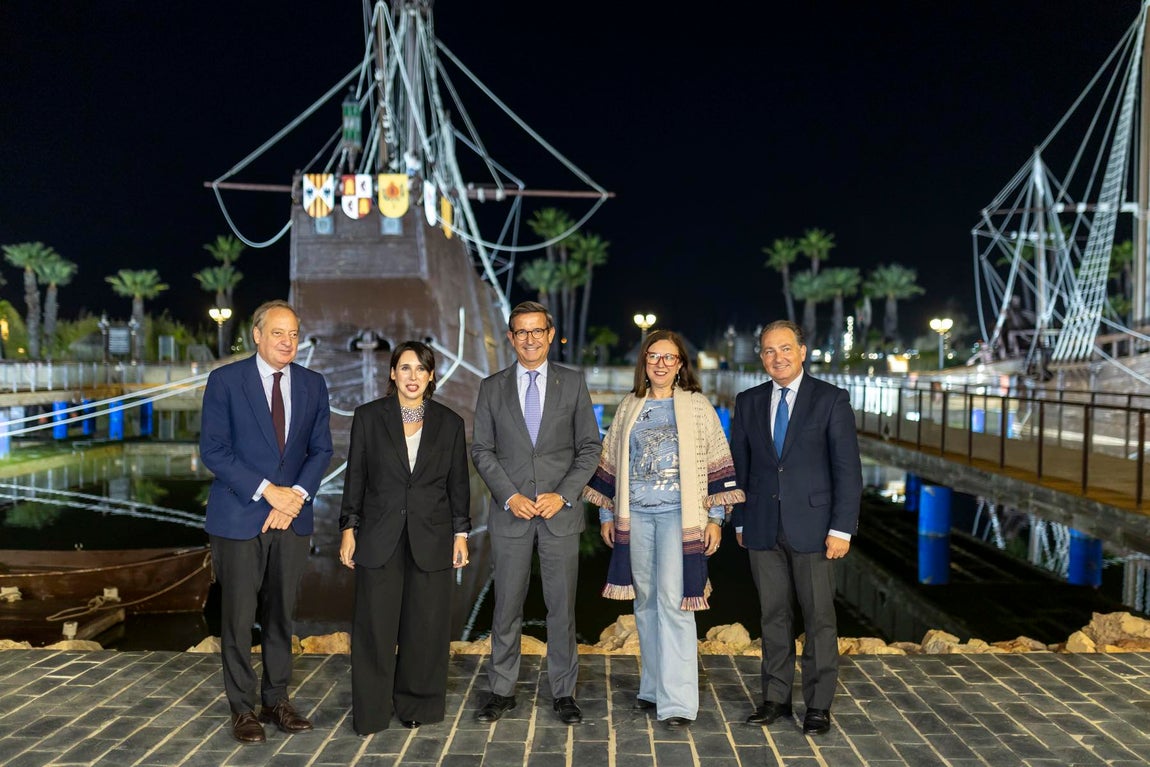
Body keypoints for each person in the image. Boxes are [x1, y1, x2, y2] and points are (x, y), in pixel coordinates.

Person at [584, 329, 743, 729]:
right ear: (645, 362)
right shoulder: (629, 406)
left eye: (668, 358)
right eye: (653, 356)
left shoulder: (697, 406)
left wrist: (715, 520)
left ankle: (678, 702)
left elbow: (717, 466)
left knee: (675, 604)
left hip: (680, 518)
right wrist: (606, 517)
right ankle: (653, 688)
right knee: (646, 602)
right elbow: (612, 466)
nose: (660, 363)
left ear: (680, 365)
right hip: (635, 518)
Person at [200, 299, 333, 744]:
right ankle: (242, 709)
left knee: (281, 615)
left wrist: (292, 497)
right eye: (278, 333)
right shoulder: (225, 381)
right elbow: (214, 450)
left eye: (294, 333)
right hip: (239, 515)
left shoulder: (314, 385)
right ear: (256, 334)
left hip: (291, 519)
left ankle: (276, 700)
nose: (287, 341)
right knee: (238, 618)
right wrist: (266, 491)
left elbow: (321, 451)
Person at [470, 301, 602, 725]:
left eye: (536, 331)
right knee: (505, 604)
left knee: (561, 607)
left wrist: (562, 495)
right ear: (511, 338)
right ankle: (501, 689)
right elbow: (482, 450)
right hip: (511, 513)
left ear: (550, 333)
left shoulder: (573, 383)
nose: (529, 339)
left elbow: (589, 448)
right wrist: (509, 496)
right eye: (520, 332)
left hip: (559, 514)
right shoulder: (492, 388)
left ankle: (563, 692)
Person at [729, 320, 862, 736]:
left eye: (785, 349)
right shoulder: (748, 401)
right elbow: (741, 468)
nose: (777, 358)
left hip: (816, 528)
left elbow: (848, 470)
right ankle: (775, 699)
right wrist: (740, 519)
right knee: (773, 616)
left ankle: (818, 706)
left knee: (819, 618)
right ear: (762, 357)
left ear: (803, 351)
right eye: (769, 351)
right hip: (762, 528)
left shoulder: (831, 399)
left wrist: (842, 529)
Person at [338, 341, 471, 734]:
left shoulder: (450, 423)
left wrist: (460, 534)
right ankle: (372, 711)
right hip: (378, 537)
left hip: (432, 537)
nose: (413, 376)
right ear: (392, 373)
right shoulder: (368, 418)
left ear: (431, 377)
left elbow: (458, 486)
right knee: (374, 628)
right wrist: (349, 529)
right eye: (405, 368)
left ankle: (419, 705)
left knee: (425, 627)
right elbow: (355, 479)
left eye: (421, 369)